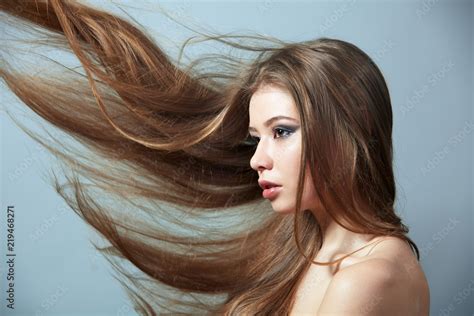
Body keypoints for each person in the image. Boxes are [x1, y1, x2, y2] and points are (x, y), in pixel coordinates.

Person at [0, 0, 430, 315]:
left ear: (345, 133)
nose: (257, 160)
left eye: (281, 132)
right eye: (255, 138)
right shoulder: (306, 255)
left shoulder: (369, 277)